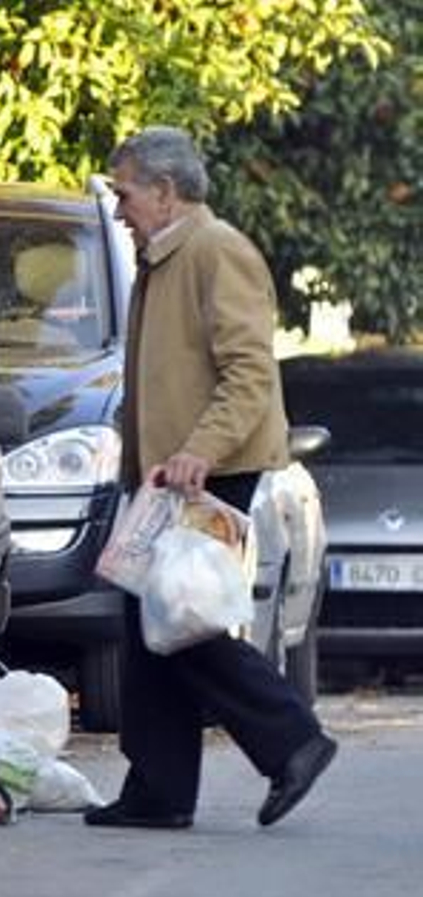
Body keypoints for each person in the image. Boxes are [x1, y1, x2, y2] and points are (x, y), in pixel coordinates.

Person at [85, 126, 337, 831]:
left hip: (206, 466)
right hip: (171, 468)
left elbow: (250, 372)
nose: (118, 208)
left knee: (182, 620)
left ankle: (293, 739)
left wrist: (199, 450)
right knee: (151, 622)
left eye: (124, 192)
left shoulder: (215, 250)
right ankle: (158, 790)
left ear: (165, 193)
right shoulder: (165, 254)